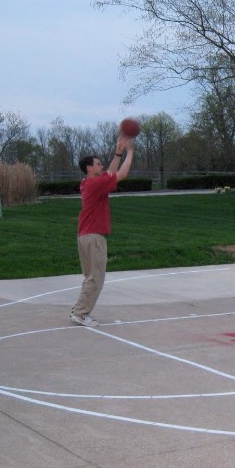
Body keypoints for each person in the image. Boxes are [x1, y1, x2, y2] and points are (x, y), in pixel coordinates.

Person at [69, 135, 135, 326]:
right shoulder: (95, 184)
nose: (101, 166)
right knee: (96, 277)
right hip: (94, 236)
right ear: (89, 168)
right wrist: (130, 152)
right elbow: (120, 175)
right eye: (98, 164)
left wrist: (118, 152)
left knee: (91, 276)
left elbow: (110, 172)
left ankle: (79, 309)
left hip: (85, 236)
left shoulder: (89, 183)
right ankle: (81, 313)